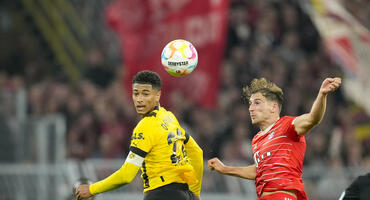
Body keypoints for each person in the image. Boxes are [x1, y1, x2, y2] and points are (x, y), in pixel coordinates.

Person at [76, 70, 203, 200]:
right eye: (136, 94)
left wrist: (92, 189)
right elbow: (197, 153)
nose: (139, 99)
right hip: (184, 194)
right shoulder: (169, 118)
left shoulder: (145, 127)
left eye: (145, 94)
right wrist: (195, 193)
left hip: (160, 194)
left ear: (158, 95)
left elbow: (126, 175)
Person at [208, 77, 341, 200]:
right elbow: (260, 170)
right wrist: (225, 169)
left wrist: (322, 95)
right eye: (250, 104)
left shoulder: (288, 126)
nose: (251, 108)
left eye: (257, 103)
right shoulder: (257, 139)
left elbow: (313, 118)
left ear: (273, 107)